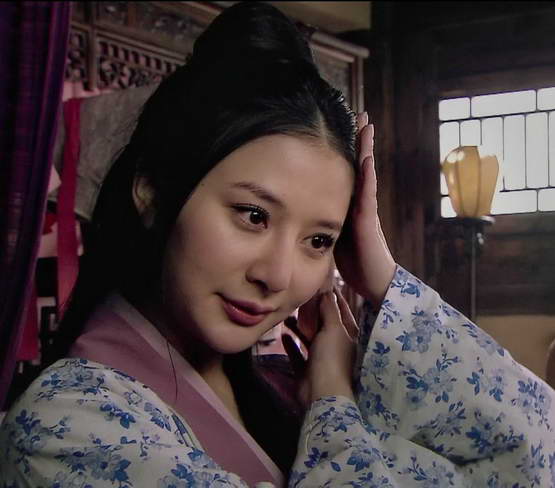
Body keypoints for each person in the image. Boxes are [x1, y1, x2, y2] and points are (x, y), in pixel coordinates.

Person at [1, 3, 554, 487]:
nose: (279, 276)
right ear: (153, 192)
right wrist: (332, 403)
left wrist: (381, 275)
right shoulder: (68, 423)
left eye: (318, 240)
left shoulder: (283, 385)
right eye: (253, 215)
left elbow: (534, 458)